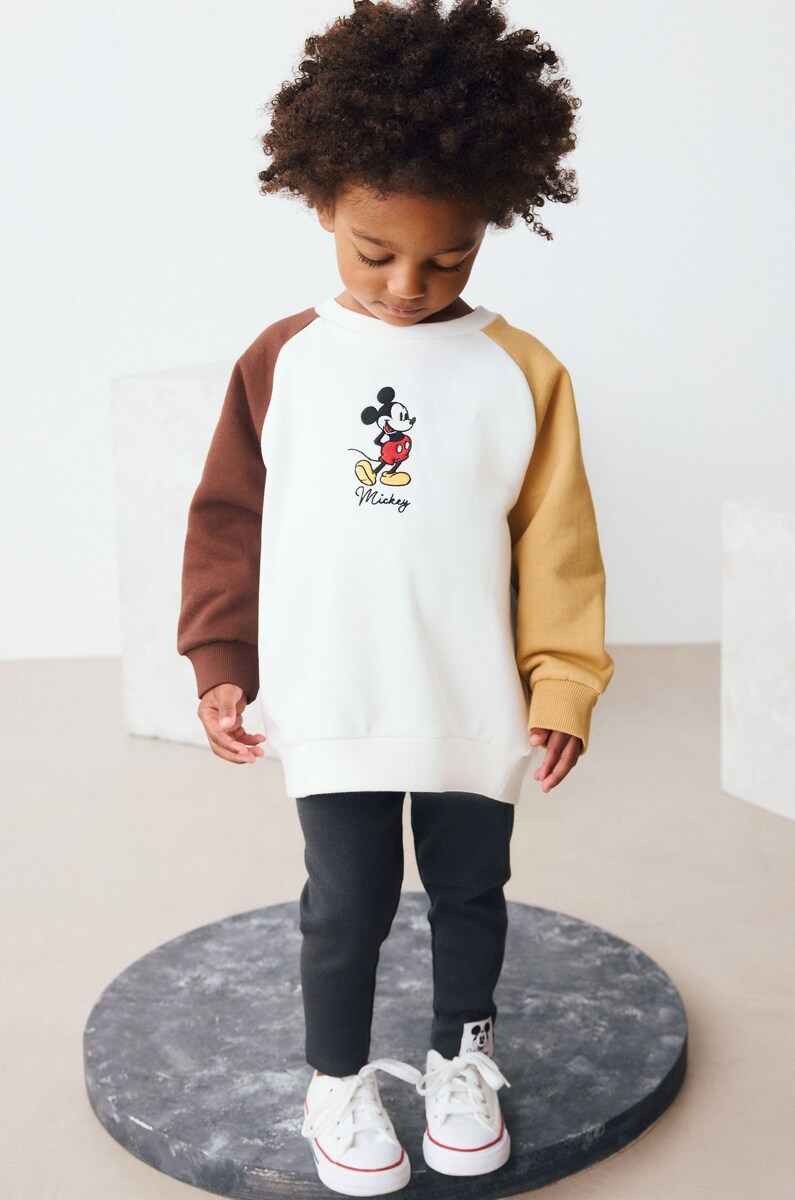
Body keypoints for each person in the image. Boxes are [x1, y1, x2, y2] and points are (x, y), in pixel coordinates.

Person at [177, 0, 615, 1193]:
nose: (410, 284)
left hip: (471, 695)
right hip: (334, 693)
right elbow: (229, 520)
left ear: (491, 224)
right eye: (375, 253)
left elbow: (559, 547)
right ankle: (336, 1080)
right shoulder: (284, 359)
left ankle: (463, 1057)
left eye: (449, 258)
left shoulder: (523, 371)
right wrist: (222, 664)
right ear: (322, 203)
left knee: (472, 889)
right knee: (347, 903)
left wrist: (563, 683)